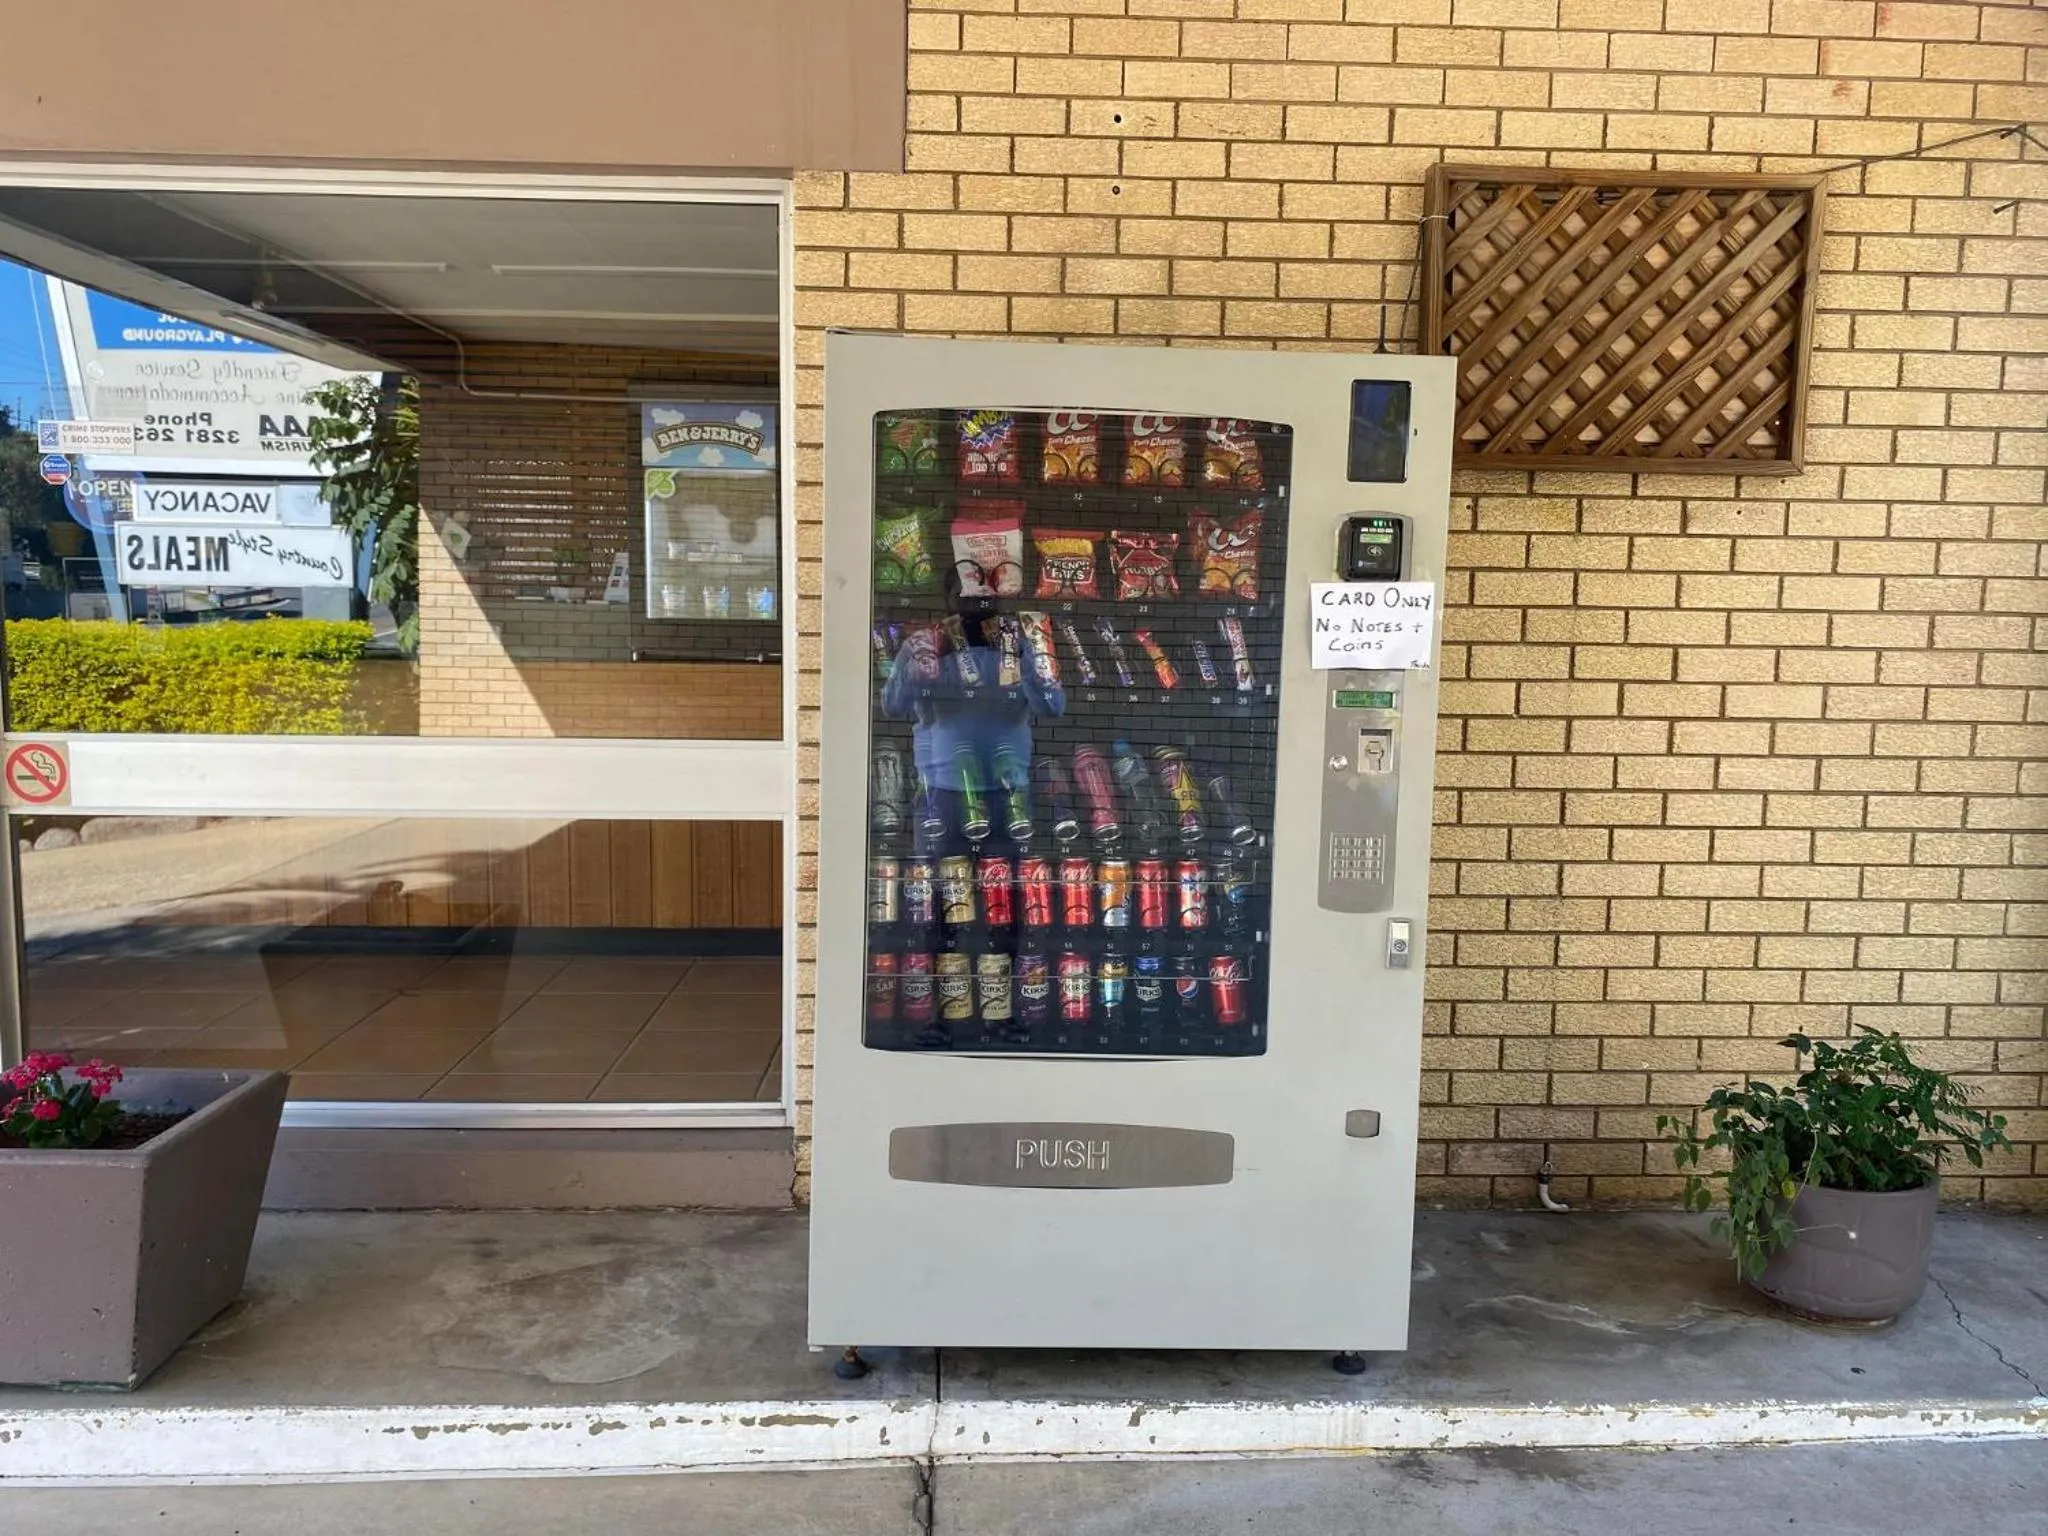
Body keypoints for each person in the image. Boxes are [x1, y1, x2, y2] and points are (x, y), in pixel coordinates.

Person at [881, 567, 1063, 854]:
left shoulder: (1020, 644)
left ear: (997, 597)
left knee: (1005, 892)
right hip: (942, 792)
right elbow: (892, 707)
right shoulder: (923, 645)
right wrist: (921, 665)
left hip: (1007, 793)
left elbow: (1053, 707)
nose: (974, 602)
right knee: (938, 891)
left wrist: (1026, 661)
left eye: (982, 593)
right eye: (964, 593)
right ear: (948, 599)